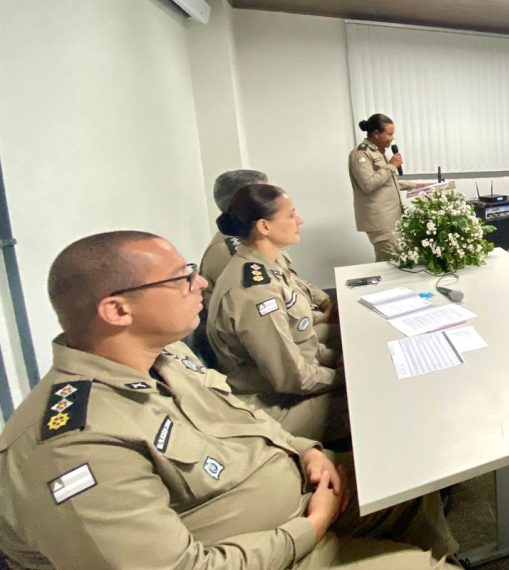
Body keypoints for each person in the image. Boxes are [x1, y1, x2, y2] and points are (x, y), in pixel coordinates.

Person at [0, 230, 458, 569]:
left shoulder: (166, 356)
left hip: (296, 496)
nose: (201, 284)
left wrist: (307, 450)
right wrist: (307, 529)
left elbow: (244, 418)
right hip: (274, 549)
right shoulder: (72, 446)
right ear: (117, 310)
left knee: (406, 482)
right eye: (181, 279)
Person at [208, 184, 348, 442]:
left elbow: (302, 343)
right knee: (371, 396)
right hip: (271, 404)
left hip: (295, 379)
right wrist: (345, 374)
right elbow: (294, 378)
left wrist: (343, 359)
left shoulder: (265, 264)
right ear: (264, 227)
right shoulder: (254, 292)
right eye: (291, 215)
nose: (300, 220)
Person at [199, 169, 331, 320]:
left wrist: (325, 301)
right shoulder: (232, 254)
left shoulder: (259, 238)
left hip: (303, 316)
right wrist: (328, 318)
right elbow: (275, 323)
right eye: (265, 193)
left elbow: (292, 281)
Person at [350, 113, 417, 262]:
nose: (392, 138)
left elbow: (386, 182)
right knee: (391, 264)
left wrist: (416, 186)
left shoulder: (378, 152)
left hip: (392, 218)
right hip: (381, 221)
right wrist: (392, 165)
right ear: (375, 133)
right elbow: (368, 184)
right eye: (389, 134)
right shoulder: (361, 153)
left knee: (394, 262)